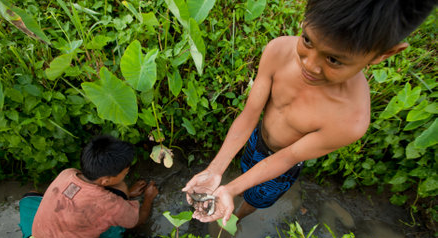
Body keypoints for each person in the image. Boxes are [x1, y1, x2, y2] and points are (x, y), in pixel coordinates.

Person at [183, 0, 436, 225]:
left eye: (334, 60)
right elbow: (250, 115)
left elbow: (288, 157)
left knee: (257, 198)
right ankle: (234, 191)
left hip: (283, 164)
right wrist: (215, 170)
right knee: (245, 171)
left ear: (384, 53)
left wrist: (230, 190)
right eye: (307, 40)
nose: (309, 65)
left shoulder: (351, 120)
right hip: (256, 139)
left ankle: (237, 218)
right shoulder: (279, 51)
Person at [18, 135, 158, 238]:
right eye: (125, 173)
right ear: (105, 180)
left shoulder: (68, 173)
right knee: (119, 215)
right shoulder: (109, 203)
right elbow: (139, 220)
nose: (126, 174)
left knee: (30, 197)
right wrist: (148, 198)